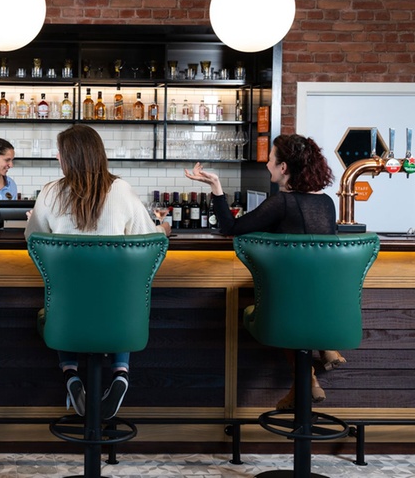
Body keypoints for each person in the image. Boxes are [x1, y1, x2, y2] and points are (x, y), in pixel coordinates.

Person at [184, 133, 343, 409]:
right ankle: (322, 350)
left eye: (270, 160)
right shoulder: (327, 203)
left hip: (288, 306)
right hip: (328, 305)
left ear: (283, 168)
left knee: (274, 308)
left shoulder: (282, 203)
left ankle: (306, 378)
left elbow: (230, 229)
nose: (267, 165)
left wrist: (216, 186)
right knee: (297, 304)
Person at [25, 124, 170, 420]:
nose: (56, 158)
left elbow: (33, 240)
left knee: (62, 301)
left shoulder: (51, 193)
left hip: (66, 317)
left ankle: (70, 374)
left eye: (60, 153)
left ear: (70, 158)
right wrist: (163, 229)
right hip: (121, 318)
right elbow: (149, 240)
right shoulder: (121, 189)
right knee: (120, 299)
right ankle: (120, 373)